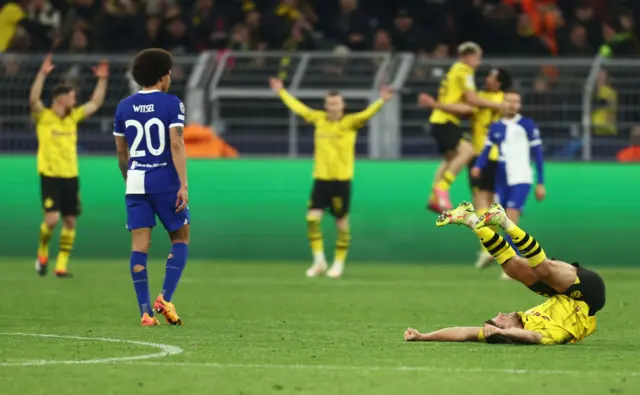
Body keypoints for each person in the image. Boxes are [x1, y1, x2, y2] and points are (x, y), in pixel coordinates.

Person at [404, 201, 606, 345]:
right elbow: (532, 338)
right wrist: (509, 332)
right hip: (589, 294)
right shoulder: (544, 334)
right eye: (500, 320)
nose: (501, 314)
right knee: (539, 269)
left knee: (511, 267)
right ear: (507, 330)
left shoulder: (518, 323)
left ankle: (470, 219)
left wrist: (423, 336)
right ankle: (502, 221)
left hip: (562, 291)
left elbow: (464, 332)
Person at [269, 77, 393, 278]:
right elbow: (299, 108)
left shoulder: (350, 122)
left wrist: (381, 100)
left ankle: (338, 263)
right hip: (321, 179)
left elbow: (367, 114)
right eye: (328, 103)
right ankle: (319, 261)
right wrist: (281, 92)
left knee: (342, 224)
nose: (331, 107)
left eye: (335, 103)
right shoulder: (319, 119)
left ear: (342, 105)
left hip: (341, 181)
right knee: (311, 219)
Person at [113, 48, 190, 327]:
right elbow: (176, 143)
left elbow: (122, 152)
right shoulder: (172, 104)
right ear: (163, 75)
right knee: (180, 238)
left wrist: (129, 178)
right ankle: (165, 298)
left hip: (135, 180)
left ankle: (145, 312)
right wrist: (183, 184)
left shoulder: (123, 106)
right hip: (164, 181)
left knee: (139, 248)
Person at [418, 68, 513, 269]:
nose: (487, 78)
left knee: (482, 201)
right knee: (488, 203)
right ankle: (491, 248)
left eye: (492, 76)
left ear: (499, 83)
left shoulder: (482, 98)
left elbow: (469, 107)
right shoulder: (504, 100)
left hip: (484, 155)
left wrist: (435, 104)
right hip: (496, 156)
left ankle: (490, 247)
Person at [31, 54, 108, 278]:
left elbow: (95, 104)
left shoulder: (72, 117)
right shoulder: (44, 117)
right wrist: (42, 74)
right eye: (72, 97)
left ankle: (61, 265)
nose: (75, 101)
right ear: (60, 99)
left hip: (70, 176)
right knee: (52, 219)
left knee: (70, 220)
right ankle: (42, 251)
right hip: (50, 175)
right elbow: (34, 99)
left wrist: (102, 80)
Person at [425, 42, 509, 213]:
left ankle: (434, 197)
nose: (478, 63)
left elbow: (468, 105)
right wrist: (496, 106)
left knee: (451, 160)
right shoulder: (465, 71)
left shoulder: (454, 70)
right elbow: (472, 100)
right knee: (467, 152)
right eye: (477, 59)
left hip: (442, 122)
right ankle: (441, 187)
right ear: (468, 57)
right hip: (448, 122)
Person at [472, 90, 546, 278]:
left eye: (516, 101)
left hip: (521, 178)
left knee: (510, 220)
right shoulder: (496, 127)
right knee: (501, 221)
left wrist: (541, 182)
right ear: (503, 103)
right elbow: (487, 150)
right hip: (502, 180)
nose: (512, 104)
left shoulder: (527, 125)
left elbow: (538, 154)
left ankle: (514, 263)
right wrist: (478, 167)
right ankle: (507, 258)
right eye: (509, 101)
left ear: (519, 105)